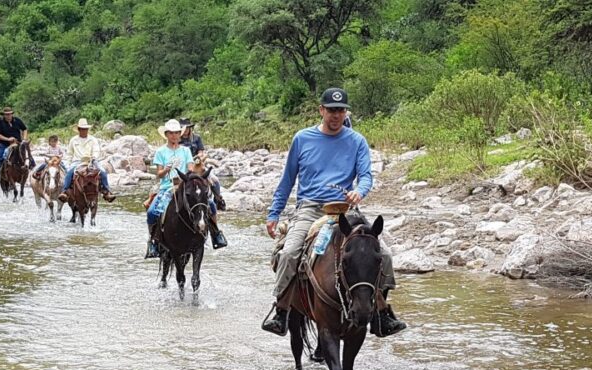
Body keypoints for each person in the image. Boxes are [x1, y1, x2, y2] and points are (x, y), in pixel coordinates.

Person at [261, 88, 406, 337]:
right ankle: (281, 311)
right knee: (289, 253)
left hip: (345, 210)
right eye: (331, 110)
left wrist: (359, 192)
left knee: (384, 255)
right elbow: (287, 180)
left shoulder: (357, 141)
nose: (335, 115)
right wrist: (274, 214)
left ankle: (382, 314)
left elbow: (366, 176)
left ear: (345, 112)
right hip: (310, 207)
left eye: (340, 110)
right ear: (321, 110)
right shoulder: (302, 139)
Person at [145, 119, 227, 258]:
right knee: (152, 212)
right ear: (166, 134)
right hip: (168, 187)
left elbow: (190, 169)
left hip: (184, 185)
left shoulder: (185, 150)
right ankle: (153, 241)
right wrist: (166, 169)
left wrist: (196, 169)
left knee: (211, 205)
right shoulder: (161, 152)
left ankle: (216, 234)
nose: (174, 136)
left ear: (179, 134)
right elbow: (159, 174)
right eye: (171, 133)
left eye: (177, 133)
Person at [57, 119, 115, 203]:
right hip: (77, 161)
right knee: (69, 172)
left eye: (86, 129)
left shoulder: (93, 139)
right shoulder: (73, 140)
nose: (84, 131)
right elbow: (69, 153)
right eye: (82, 129)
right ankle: (65, 192)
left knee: (103, 171)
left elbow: (96, 150)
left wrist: (93, 157)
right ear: (79, 130)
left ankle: (106, 191)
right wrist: (69, 163)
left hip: (92, 160)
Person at [179, 118, 225, 210]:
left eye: (187, 128)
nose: (185, 130)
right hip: (183, 165)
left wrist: (197, 158)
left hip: (197, 163)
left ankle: (218, 198)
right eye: (183, 128)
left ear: (190, 128)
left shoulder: (196, 138)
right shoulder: (177, 140)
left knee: (214, 180)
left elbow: (201, 152)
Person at [0, 107, 33, 180]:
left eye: (9, 114)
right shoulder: (0, 123)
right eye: (6, 114)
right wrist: (7, 139)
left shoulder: (17, 120)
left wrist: (24, 138)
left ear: (12, 114)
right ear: (4, 115)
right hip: (5, 143)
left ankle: (32, 166)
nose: (8, 116)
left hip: (18, 143)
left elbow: (24, 129)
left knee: (27, 153)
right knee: (1, 156)